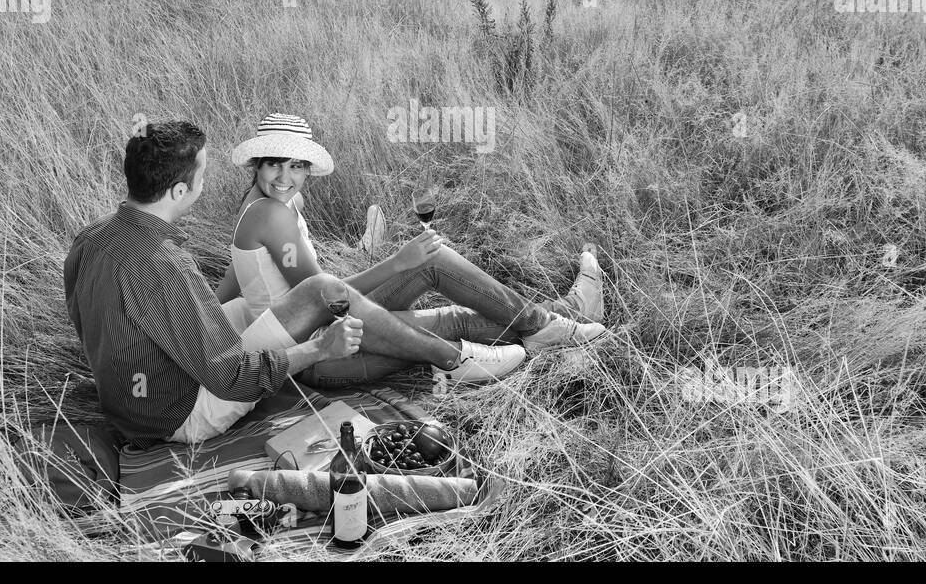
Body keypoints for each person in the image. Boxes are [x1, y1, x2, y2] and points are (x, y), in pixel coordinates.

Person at [63, 119, 491, 448]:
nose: (204, 183)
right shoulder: (163, 262)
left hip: (132, 404)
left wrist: (194, 327)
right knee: (316, 292)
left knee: (260, 308)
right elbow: (233, 381)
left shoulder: (93, 237)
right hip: (180, 412)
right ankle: (455, 358)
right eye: (200, 175)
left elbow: (95, 323)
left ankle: (509, 328)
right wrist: (317, 350)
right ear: (179, 190)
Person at [213, 113, 609, 390]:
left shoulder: (260, 203)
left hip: (331, 329)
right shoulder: (271, 215)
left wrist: (210, 328)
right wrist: (398, 262)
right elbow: (327, 298)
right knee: (449, 306)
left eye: (295, 166)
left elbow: (235, 276)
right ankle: (564, 318)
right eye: (274, 166)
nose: (285, 178)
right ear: (257, 164)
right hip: (324, 352)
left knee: (439, 276)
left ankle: (554, 322)